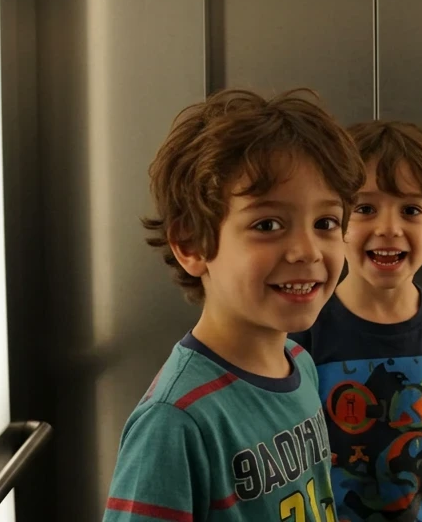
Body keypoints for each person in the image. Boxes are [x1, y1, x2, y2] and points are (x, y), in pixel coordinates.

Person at [103, 88, 366, 522]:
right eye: (267, 224)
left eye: (326, 223)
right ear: (191, 243)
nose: (307, 251)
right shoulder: (174, 422)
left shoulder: (299, 363)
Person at [292, 121, 422, 522]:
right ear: (334, 221)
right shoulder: (305, 327)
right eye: (365, 208)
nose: (388, 229)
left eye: (410, 210)